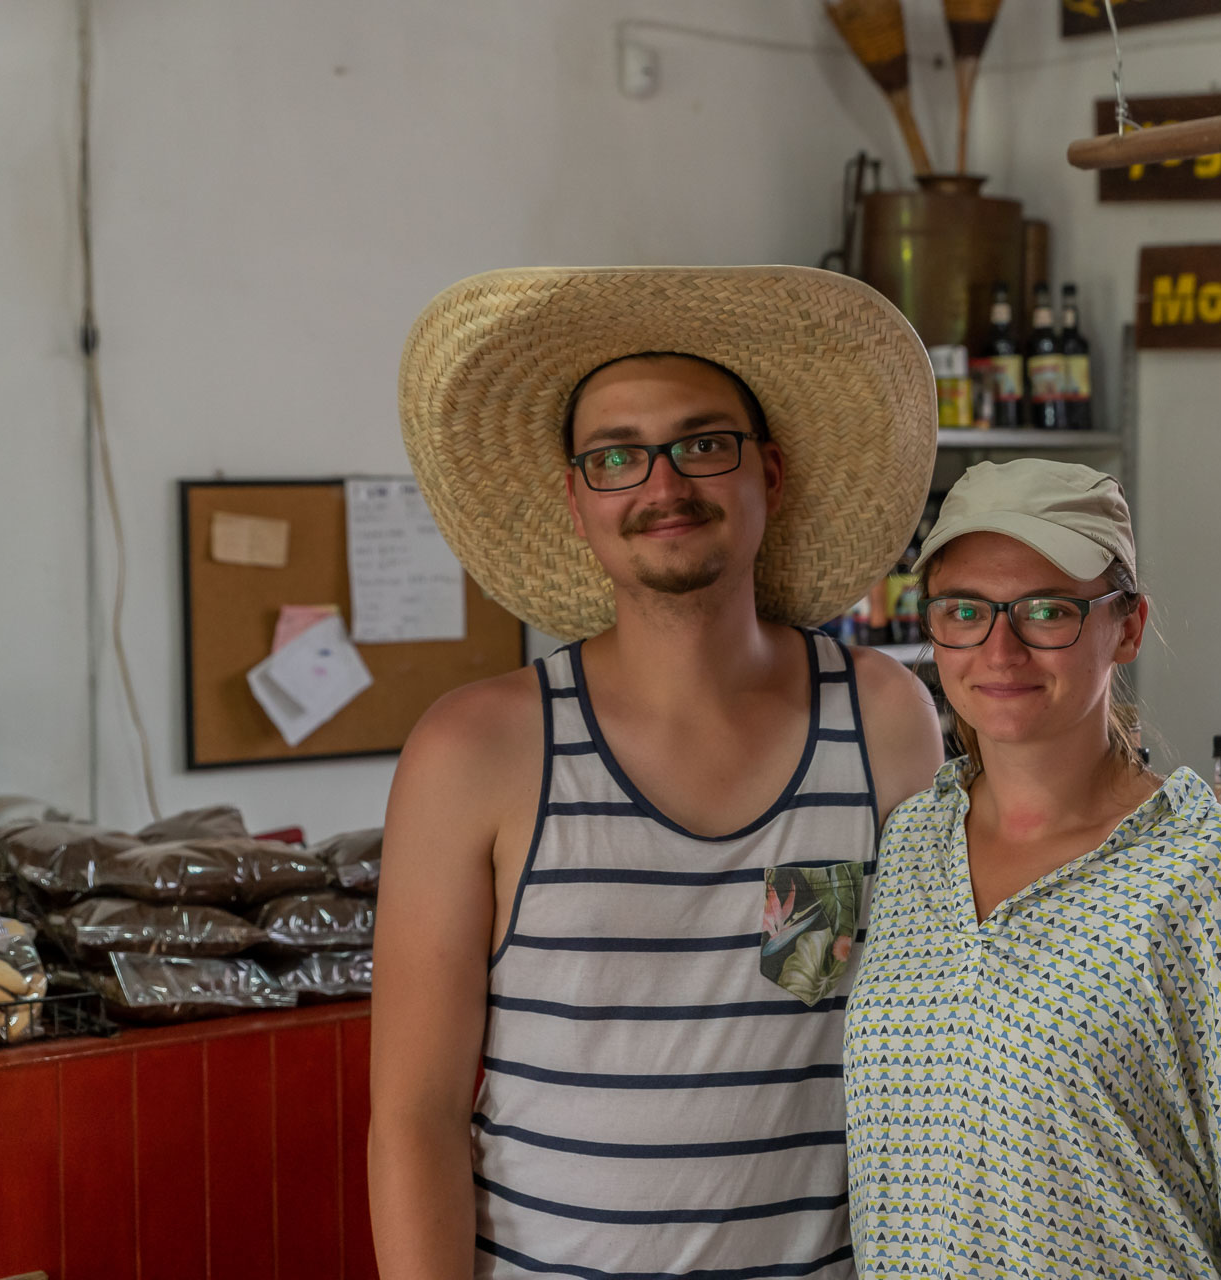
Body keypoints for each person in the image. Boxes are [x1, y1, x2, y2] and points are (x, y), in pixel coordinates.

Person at [373, 266, 946, 1280]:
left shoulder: (883, 718)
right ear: (576, 499)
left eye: (702, 442)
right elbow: (414, 1118)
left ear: (767, 474)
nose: (663, 484)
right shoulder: (476, 750)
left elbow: (926, 1050)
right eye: (616, 456)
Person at [843, 459, 1221, 1279]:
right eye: (964, 611)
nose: (1000, 649)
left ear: (1128, 626)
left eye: (1046, 611)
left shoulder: (1213, 872)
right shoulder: (915, 841)